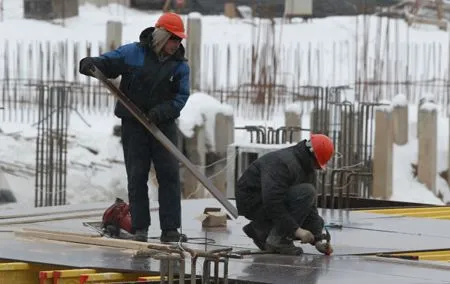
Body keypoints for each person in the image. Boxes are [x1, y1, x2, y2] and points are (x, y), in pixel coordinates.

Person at [78, 12, 190, 243]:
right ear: (161, 36)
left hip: (162, 127)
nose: (176, 44)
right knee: (137, 175)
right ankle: (140, 228)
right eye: (173, 39)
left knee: (168, 176)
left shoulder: (179, 66)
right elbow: (108, 64)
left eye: (179, 40)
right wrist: (91, 64)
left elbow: (181, 97)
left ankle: (170, 229)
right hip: (134, 125)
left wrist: (161, 112)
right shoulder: (133, 53)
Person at [235, 134, 334, 255]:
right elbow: (272, 202)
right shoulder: (282, 162)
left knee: (317, 222)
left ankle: (260, 231)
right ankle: (278, 240)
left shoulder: (307, 167)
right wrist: (297, 230)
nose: (317, 168)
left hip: (270, 201)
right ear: (312, 156)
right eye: (317, 165)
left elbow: (310, 206)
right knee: (307, 191)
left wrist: (318, 240)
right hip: (253, 201)